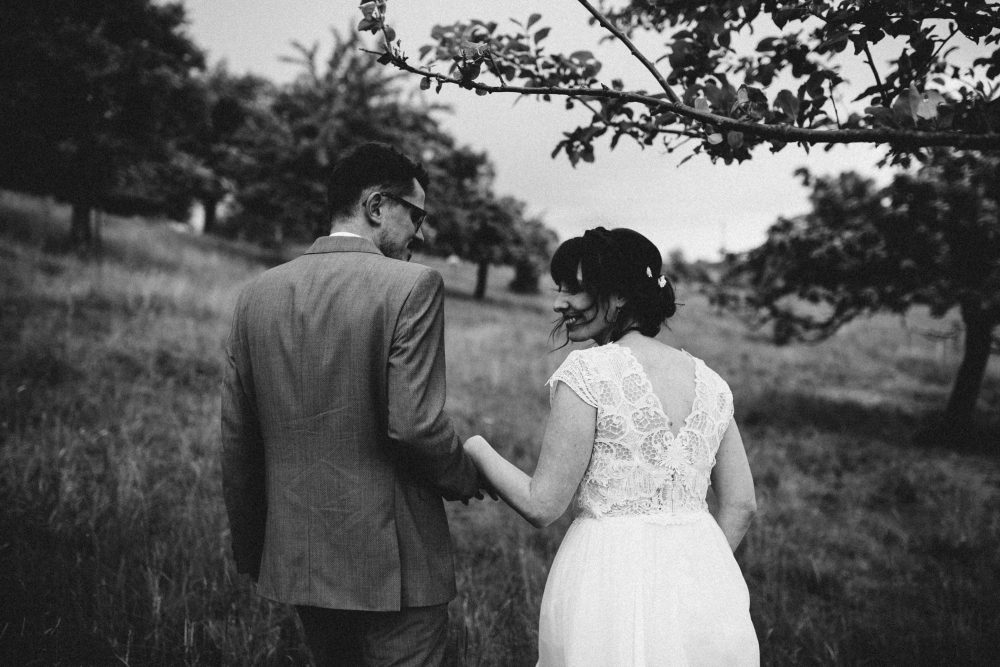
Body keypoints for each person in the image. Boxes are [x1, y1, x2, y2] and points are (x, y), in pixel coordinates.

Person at [221, 142, 488, 666]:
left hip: (300, 557)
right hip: (396, 564)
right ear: (376, 206)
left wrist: (255, 547)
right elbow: (414, 425)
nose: (420, 233)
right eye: (415, 215)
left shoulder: (256, 294)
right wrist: (464, 476)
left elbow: (238, 440)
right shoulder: (413, 285)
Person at [463, 227, 760, 666]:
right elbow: (742, 504)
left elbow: (543, 504)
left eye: (574, 288)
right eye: (559, 288)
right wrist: (698, 571)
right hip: (703, 590)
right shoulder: (711, 382)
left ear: (619, 295)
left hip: (607, 588)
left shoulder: (589, 372)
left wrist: (475, 447)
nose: (559, 302)